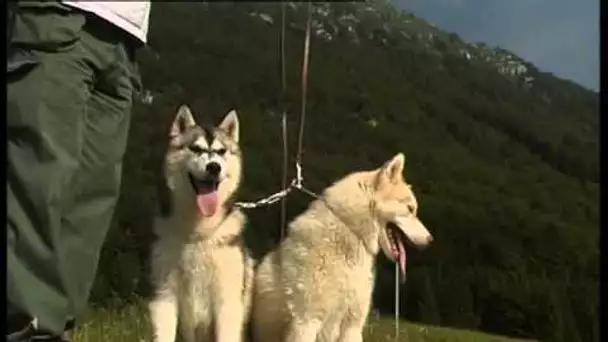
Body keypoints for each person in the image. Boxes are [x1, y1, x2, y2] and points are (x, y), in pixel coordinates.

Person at [7, 1, 151, 341]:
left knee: (87, 209)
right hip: (59, 16)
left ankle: (56, 331)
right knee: (38, 188)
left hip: (123, 39)